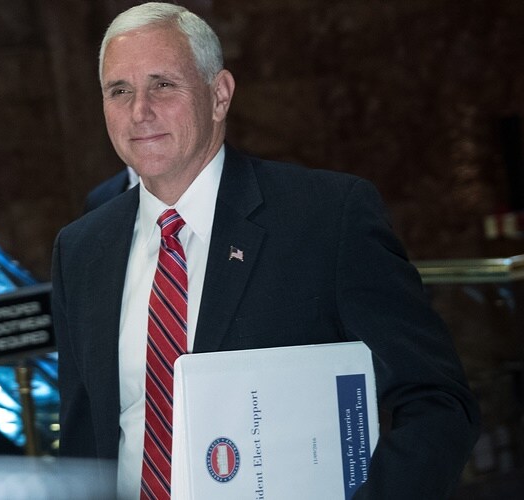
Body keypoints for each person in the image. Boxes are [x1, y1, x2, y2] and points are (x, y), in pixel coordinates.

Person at [51, 3, 480, 499]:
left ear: (219, 95)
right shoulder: (80, 250)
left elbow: (438, 403)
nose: (139, 110)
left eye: (163, 84)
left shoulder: (325, 219)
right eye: (119, 90)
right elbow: (83, 441)